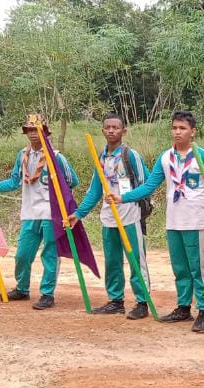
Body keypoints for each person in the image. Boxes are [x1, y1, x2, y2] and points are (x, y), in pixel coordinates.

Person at [113, 110, 204, 332]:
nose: (178, 132)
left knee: (198, 267)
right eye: (175, 128)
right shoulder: (165, 157)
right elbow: (150, 185)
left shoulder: (202, 156)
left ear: (193, 132)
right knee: (180, 267)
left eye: (183, 128)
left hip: (195, 221)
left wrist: (203, 207)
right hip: (173, 220)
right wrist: (124, 197)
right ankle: (183, 307)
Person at [0, 114, 80, 310]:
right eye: (30, 130)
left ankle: (47, 294)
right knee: (23, 254)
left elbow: (72, 181)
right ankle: (22, 288)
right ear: (26, 132)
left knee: (50, 254)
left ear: (45, 131)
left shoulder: (56, 157)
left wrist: (58, 196)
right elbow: (14, 181)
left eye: (37, 130)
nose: (34, 134)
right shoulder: (23, 155)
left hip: (51, 213)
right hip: (29, 212)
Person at [66, 113, 151, 320]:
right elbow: (95, 191)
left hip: (130, 216)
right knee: (112, 261)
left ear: (124, 131)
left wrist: (126, 198)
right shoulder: (101, 159)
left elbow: (148, 184)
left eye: (116, 127)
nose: (111, 131)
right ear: (103, 131)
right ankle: (116, 301)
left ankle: (142, 302)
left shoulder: (131, 155)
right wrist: (78, 214)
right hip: (108, 218)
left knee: (136, 260)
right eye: (108, 127)